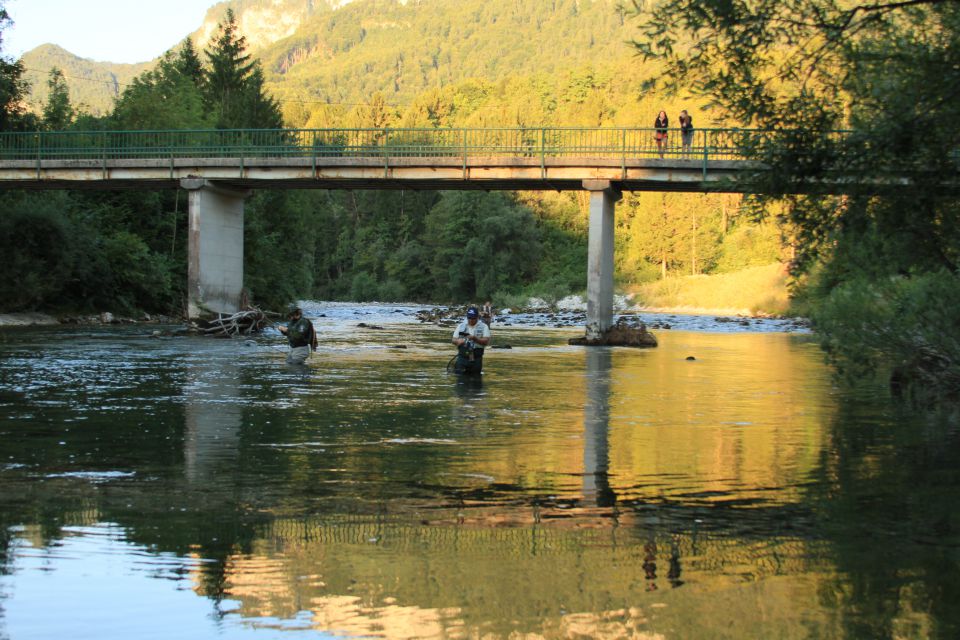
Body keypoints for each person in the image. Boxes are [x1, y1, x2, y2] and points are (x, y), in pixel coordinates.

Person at [451, 306, 491, 375]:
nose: (471, 320)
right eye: (469, 318)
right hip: (462, 358)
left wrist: (475, 338)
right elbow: (453, 340)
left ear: (477, 317)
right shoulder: (460, 326)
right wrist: (458, 341)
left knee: (476, 382)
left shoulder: (484, 326)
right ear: (467, 317)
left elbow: (486, 341)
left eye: (473, 318)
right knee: (460, 382)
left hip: (476, 359)